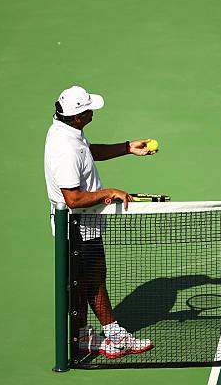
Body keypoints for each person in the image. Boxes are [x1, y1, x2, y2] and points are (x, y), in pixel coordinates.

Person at [44, 85, 155, 357]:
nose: (94, 111)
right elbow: (73, 199)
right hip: (78, 227)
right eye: (89, 109)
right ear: (78, 116)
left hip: (82, 223)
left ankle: (83, 337)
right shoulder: (65, 150)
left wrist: (128, 147)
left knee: (84, 282)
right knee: (94, 280)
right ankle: (115, 334)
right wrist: (107, 192)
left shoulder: (67, 131)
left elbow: (89, 152)